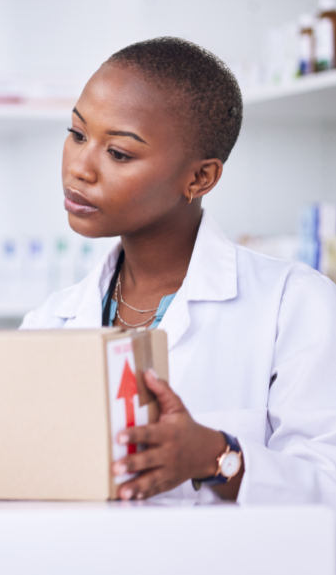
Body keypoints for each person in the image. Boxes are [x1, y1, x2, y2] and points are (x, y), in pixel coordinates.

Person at [22, 37, 336, 504]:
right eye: (77, 133)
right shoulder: (49, 322)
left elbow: (327, 486)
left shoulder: (295, 305)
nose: (80, 168)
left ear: (199, 178)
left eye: (119, 153)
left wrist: (215, 456)